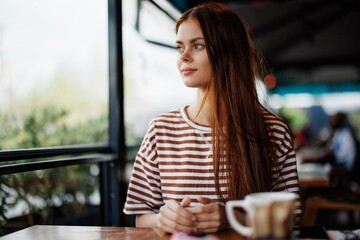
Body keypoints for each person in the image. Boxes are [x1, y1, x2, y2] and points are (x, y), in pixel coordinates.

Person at [123, 2, 301, 234]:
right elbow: (141, 216)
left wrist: (231, 217)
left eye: (197, 46)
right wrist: (163, 219)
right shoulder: (160, 129)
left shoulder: (273, 131)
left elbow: (291, 218)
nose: (183, 57)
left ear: (228, 52)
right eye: (180, 48)